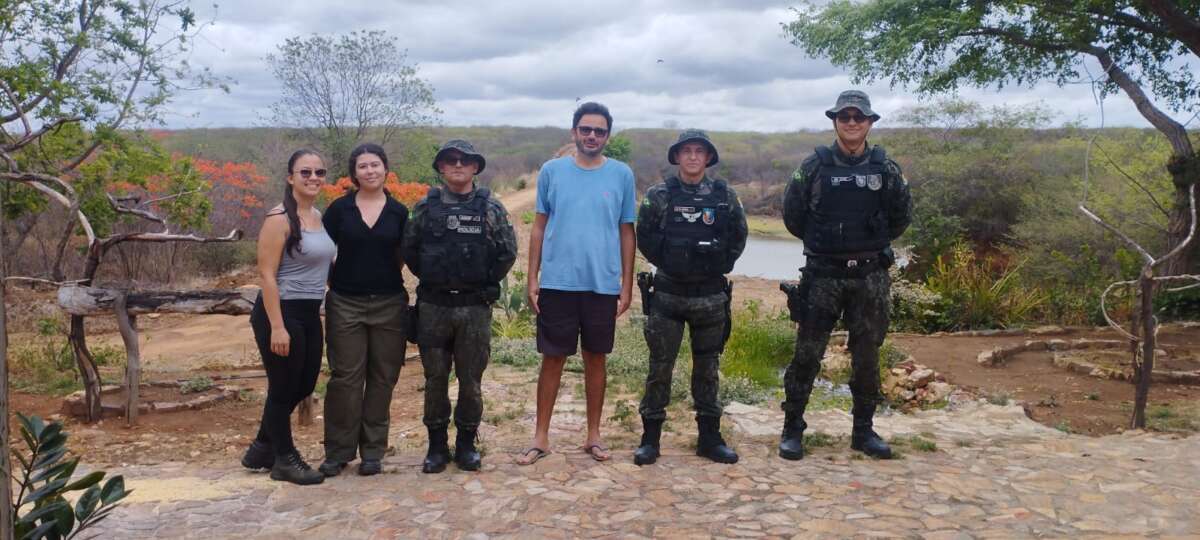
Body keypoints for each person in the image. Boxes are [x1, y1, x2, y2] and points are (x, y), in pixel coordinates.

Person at [779, 90, 912, 460]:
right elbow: (792, 215)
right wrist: (826, 242)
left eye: (859, 117)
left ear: (870, 123)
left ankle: (863, 431)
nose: (851, 123)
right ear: (835, 121)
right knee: (807, 354)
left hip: (870, 276)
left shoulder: (885, 167)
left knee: (867, 356)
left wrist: (867, 244)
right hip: (823, 275)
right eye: (845, 117)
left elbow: (901, 215)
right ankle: (792, 429)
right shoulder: (814, 166)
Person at [517, 102, 637, 465]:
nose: (592, 136)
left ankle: (594, 435)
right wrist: (532, 277)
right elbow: (539, 226)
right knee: (552, 358)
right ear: (574, 132)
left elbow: (626, 231)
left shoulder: (621, 175)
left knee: (595, 358)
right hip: (558, 281)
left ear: (607, 137)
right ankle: (541, 436)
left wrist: (627, 284)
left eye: (599, 131)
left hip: (602, 283)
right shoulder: (553, 171)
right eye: (586, 129)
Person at [632, 129, 747, 465]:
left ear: (708, 157)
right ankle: (650, 439)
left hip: (711, 296)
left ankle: (709, 438)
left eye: (700, 151)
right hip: (668, 294)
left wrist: (718, 265)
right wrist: (670, 263)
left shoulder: (725, 195)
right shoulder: (659, 195)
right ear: (677, 157)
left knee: (708, 370)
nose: (693, 156)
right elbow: (646, 237)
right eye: (687, 151)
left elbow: (739, 236)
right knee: (659, 369)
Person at [403, 140, 517, 473]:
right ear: (440, 167)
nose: (458, 165)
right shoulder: (425, 206)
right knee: (435, 379)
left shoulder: (491, 208)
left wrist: (482, 282)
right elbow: (410, 250)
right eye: (450, 160)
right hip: (434, 307)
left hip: (474, 309)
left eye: (465, 160)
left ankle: (467, 444)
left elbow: (506, 252)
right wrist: (436, 276)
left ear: (475, 167)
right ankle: (436, 447)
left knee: (470, 380)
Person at [242, 149, 335, 485]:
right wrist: (277, 327)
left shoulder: (317, 215)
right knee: (283, 388)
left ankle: (262, 447)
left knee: (305, 384)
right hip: (280, 312)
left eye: (319, 172)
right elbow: (266, 275)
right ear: (290, 177)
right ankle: (284, 459)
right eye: (305, 172)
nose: (313, 178)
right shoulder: (279, 218)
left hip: (310, 311)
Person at [319, 143, 410, 477]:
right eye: (362, 166)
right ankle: (338, 451)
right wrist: (334, 284)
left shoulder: (399, 212)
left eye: (375, 165)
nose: (370, 171)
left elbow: (401, 256)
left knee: (383, 377)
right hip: (345, 302)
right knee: (345, 378)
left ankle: (373, 450)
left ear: (385, 168)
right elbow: (322, 251)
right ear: (353, 173)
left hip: (389, 303)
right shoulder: (339, 210)